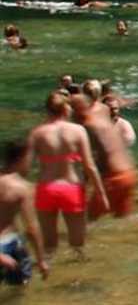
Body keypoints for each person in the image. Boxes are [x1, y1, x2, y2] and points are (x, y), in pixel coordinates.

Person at [29, 93, 103, 258]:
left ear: (47, 110)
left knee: (49, 244)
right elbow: (89, 165)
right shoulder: (77, 130)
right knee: (78, 244)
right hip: (71, 188)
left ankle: (48, 273)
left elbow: (24, 166)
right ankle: (76, 276)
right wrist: (101, 193)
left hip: (46, 188)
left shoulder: (37, 133)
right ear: (65, 109)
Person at [76, 81, 137, 220]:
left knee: (90, 221)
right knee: (123, 222)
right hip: (130, 172)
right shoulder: (104, 111)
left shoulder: (88, 123)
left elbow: (91, 160)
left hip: (113, 177)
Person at [0, 140, 50, 285]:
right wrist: (41, 260)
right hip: (8, 245)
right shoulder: (22, 187)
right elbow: (32, 228)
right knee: (18, 290)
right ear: (21, 159)